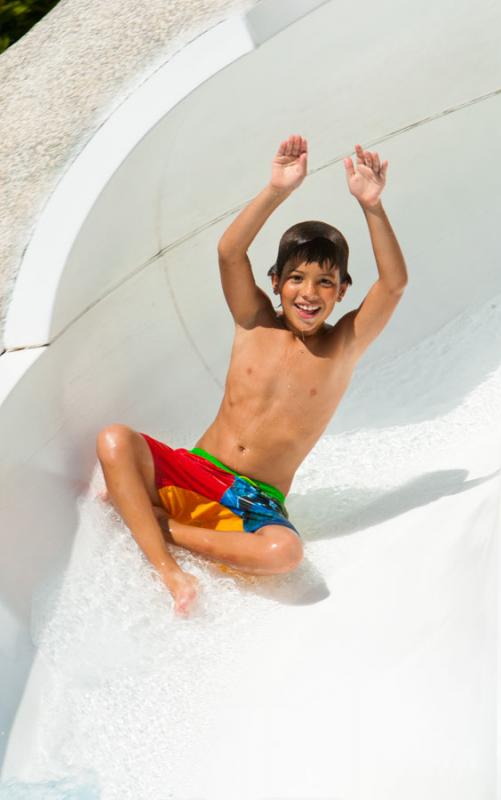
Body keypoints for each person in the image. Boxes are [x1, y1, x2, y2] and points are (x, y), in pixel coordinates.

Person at [96, 135, 408, 616]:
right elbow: (228, 252)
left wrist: (372, 206)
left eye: (326, 282)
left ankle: (161, 527)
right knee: (115, 440)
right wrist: (276, 190)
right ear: (276, 282)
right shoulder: (253, 319)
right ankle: (168, 568)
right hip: (194, 469)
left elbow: (393, 284)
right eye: (297, 279)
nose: (309, 293)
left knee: (285, 553)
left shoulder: (341, 346)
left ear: (343, 291)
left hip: (252, 503)